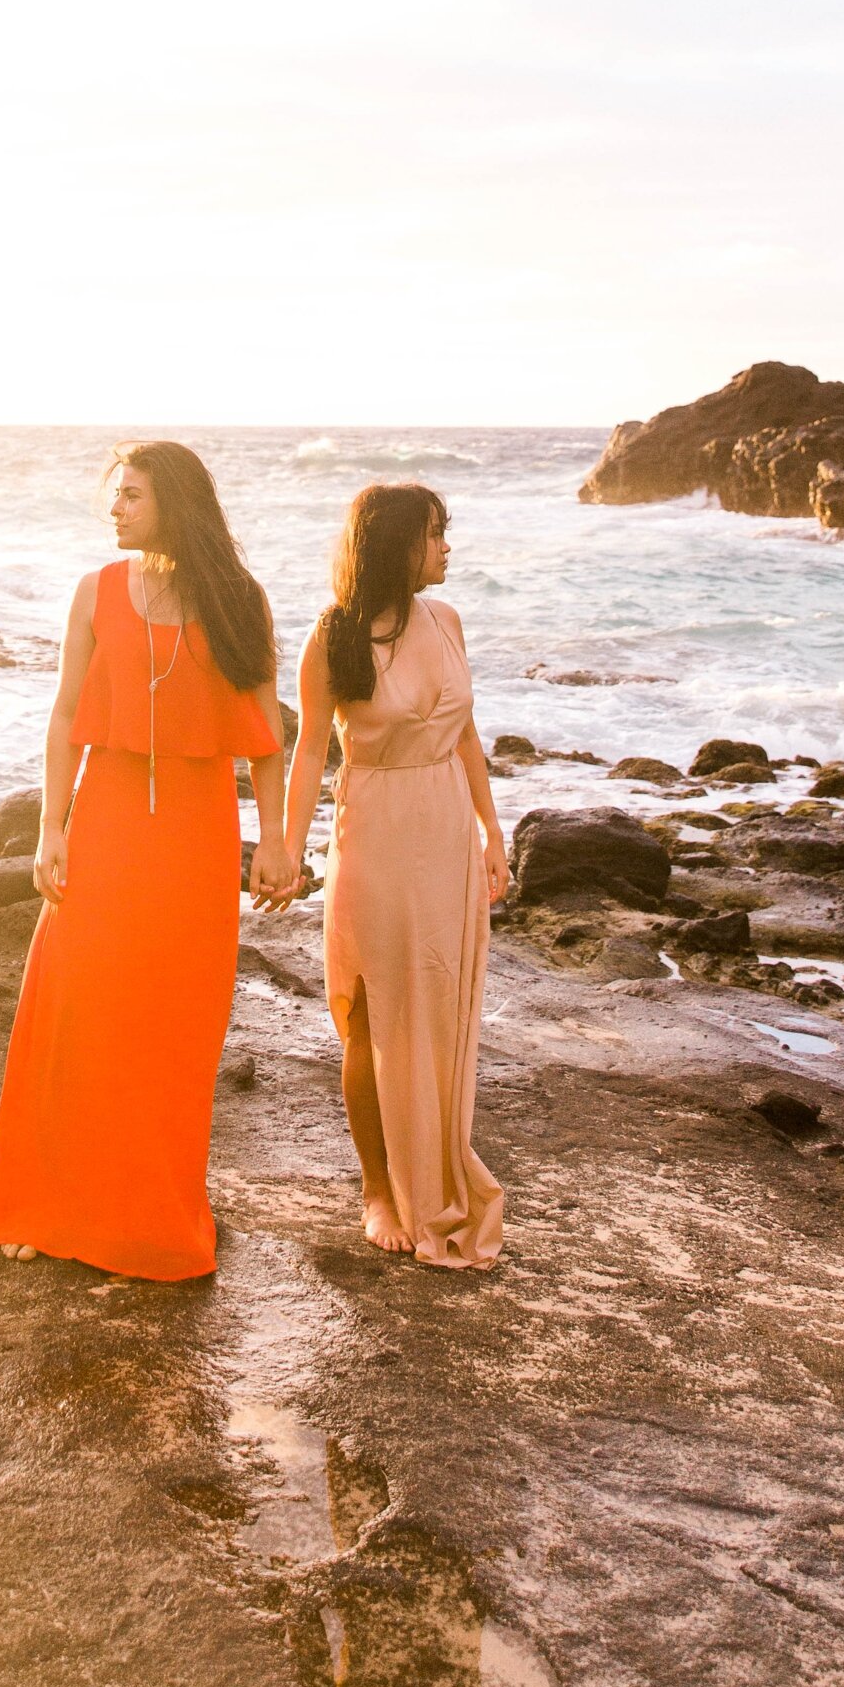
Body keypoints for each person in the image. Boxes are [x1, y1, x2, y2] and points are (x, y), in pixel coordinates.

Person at [0, 441, 286, 1281]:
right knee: (75, 1012)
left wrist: (282, 839)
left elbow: (266, 737)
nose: (114, 509)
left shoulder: (237, 601)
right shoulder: (95, 592)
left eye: (132, 495)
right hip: (107, 824)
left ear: (172, 504)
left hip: (196, 837)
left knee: (173, 1028)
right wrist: (52, 827)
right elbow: (66, 713)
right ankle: (46, 1207)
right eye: (115, 495)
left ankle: (149, 1220)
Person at [265, 482, 509, 1266]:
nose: (446, 548)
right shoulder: (333, 636)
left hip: (443, 831)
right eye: (436, 534)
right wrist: (288, 848)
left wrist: (492, 830)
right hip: (373, 832)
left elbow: (466, 736)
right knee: (371, 1013)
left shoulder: (448, 621)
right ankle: (378, 1187)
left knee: (439, 1005)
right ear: (397, 544)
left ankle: (436, 1170)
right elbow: (309, 753)